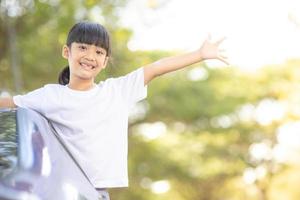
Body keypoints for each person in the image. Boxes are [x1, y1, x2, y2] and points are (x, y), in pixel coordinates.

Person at [0, 21, 228, 199]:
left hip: (98, 192)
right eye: (82, 47)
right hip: (61, 189)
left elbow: (156, 68)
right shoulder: (51, 95)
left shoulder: (116, 91)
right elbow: (12, 103)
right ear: (66, 52)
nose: (90, 56)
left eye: (99, 52)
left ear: (105, 61)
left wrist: (199, 55)